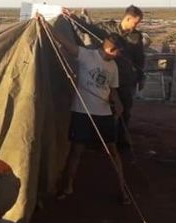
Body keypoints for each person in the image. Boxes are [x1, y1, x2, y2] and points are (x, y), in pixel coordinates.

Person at [38, 16, 128, 202]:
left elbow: (112, 90)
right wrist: (46, 26)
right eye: (116, 52)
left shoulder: (113, 67)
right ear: (109, 48)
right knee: (76, 151)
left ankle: (123, 188)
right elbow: (65, 42)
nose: (117, 56)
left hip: (104, 113)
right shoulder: (87, 55)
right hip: (82, 112)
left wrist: (117, 104)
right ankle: (68, 186)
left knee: (113, 151)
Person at [81, 5, 146, 149]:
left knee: (124, 109)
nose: (136, 25)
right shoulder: (107, 29)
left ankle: (121, 140)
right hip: (105, 78)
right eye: (135, 22)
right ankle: (101, 140)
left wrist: (141, 77)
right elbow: (87, 28)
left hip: (124, 79)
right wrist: (72, 17)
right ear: (128, 18)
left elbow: (139, 59)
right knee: (103, 109)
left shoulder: (136, 37)